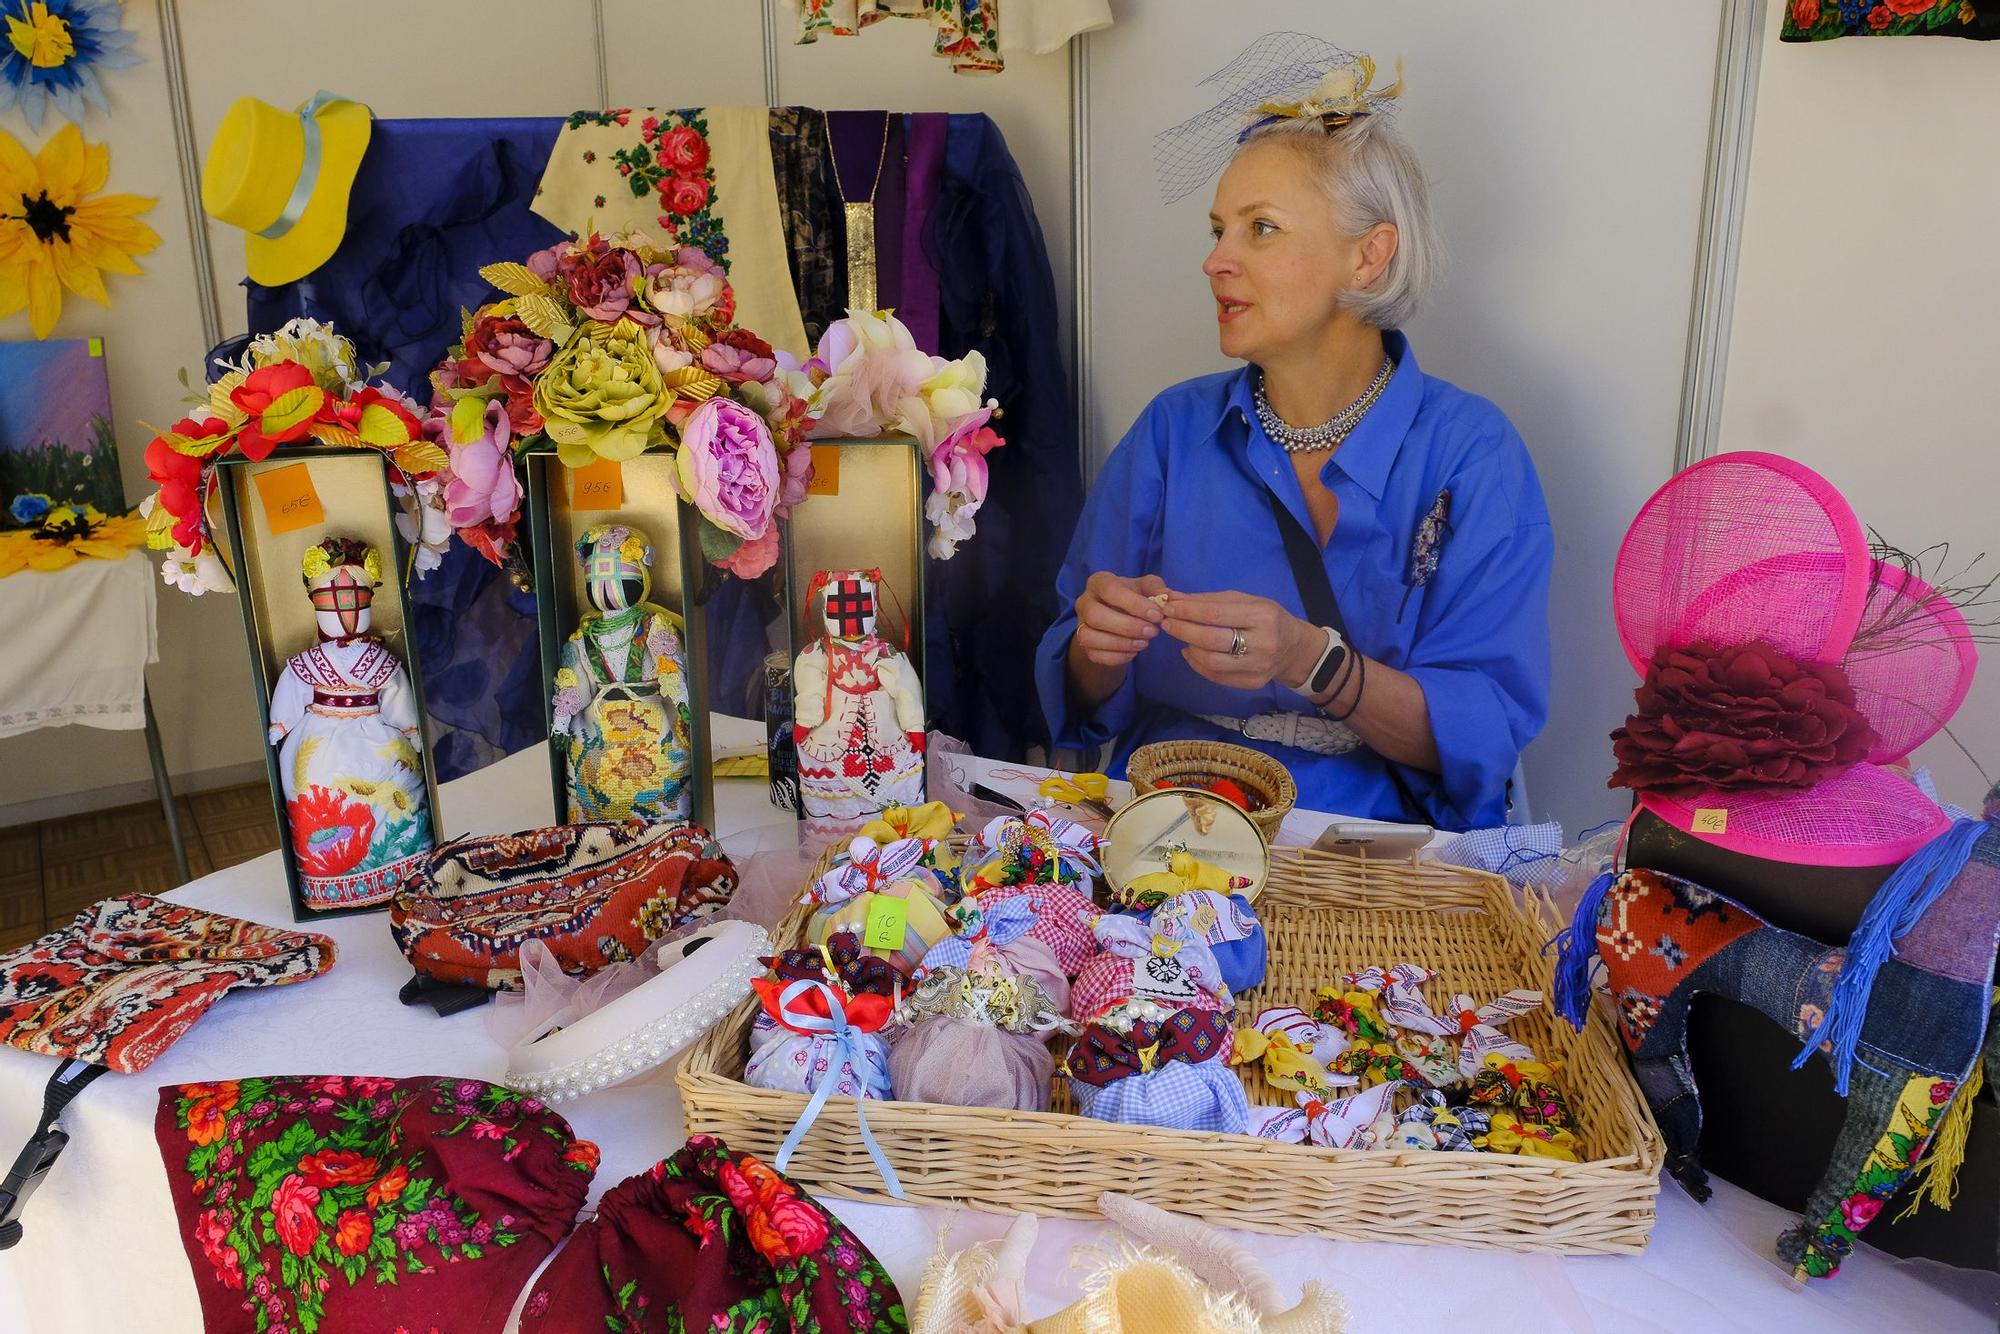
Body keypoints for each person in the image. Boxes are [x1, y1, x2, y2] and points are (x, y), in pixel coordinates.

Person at [1036, 69, 1552, 830]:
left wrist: (1313, 661)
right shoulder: (1172, 433)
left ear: (1369, 257)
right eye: (1218, 231)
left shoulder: (1472, 454)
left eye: (1261, 228)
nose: (1216, 261)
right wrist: (1097, 646)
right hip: (1169, 825)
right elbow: (1078, 695)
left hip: (1376, 848)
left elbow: (1482, 739)